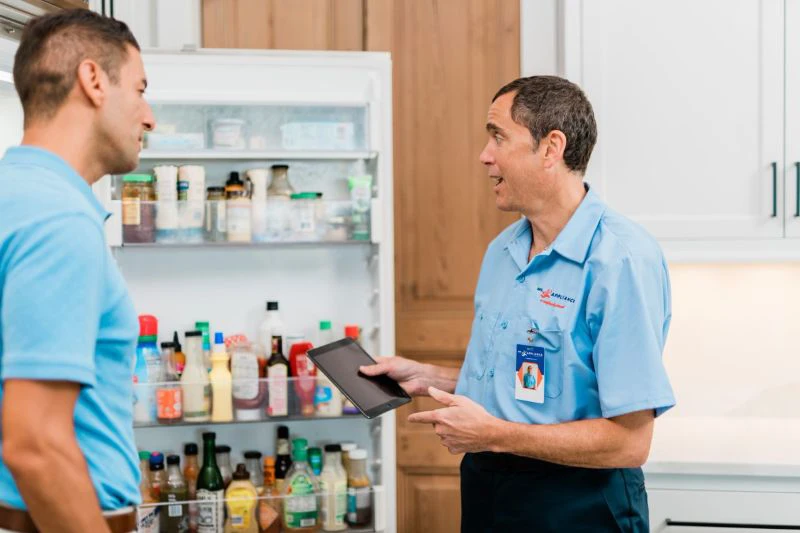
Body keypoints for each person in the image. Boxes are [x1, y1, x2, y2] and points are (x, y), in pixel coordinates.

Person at [361, 76, 675, 532]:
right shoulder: (503, 251)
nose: (484, 155)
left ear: (551, 148)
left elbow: (630, 442)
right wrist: (430, 378)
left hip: (579, 504)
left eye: (498, 137)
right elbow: (541, 381)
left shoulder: (620, 260)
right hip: (490, 489)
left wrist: (493, 434)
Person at [0, 10, 154, 533]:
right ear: (93, 81)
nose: (149, 115)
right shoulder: (59, 219)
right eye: (139, 89)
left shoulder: (12, 196)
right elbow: (36, 446)